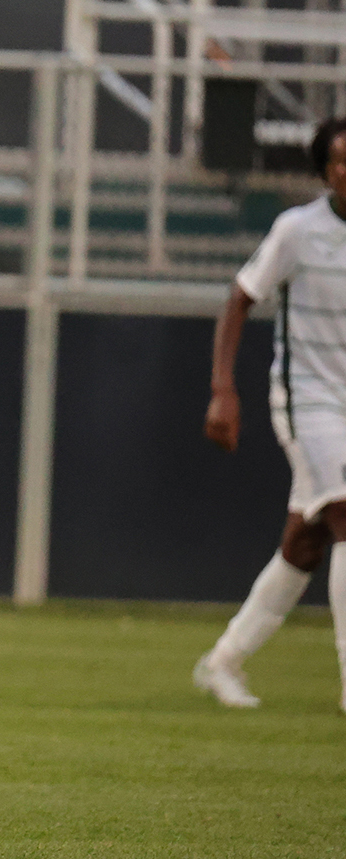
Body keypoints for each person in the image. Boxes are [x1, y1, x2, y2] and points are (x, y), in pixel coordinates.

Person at [195, 116, 346, 713]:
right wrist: (222, 389)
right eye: (340, 162)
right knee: (345, 514)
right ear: (324, 171)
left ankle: (222, 661)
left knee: (305, 543)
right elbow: (240, 299)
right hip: (307, 399)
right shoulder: (298, 230)